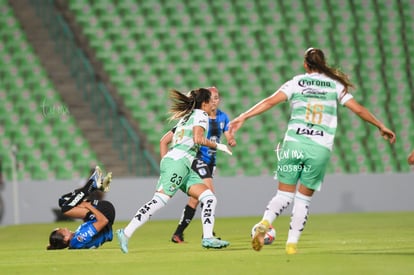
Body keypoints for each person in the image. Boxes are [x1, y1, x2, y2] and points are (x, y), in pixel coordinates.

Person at [229, 48, 396, 255]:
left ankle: (266, 221)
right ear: (323, 63)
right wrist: (380, 125)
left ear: (305, 64)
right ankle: (291, 244)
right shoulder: (336, 85)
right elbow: (359, 109)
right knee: (303, 199)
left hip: (293, 144)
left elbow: (270, 101)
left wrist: (243, 116)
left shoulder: (296, 82)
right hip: (319, 147)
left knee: (283, 194)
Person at [116, 88, 233, 253]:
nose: (213, 104)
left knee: (209, 198)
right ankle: (126, 233)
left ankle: (208, 238)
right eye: (210, 101)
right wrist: (218, 145)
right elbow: (197, 139)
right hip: (179, 163)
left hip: (183, 164)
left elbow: (164, 140)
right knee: (159, 201)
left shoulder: (186, 117)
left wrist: (165, 161)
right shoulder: (201, 115)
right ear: (205, 103)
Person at [159, 86, 237, 243]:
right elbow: (187, 137)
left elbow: (228, 133)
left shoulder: (223, 117)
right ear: (206, 101)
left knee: (195, 200)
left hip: (210, 162)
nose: (214, 101)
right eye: (212, 98)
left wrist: (230, 140)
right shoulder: (199, 116)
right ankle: (208, 234)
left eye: (217, 98)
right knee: (209, 194)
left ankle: (178, 233)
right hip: (197, 159)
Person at [46, 166, 114, 250]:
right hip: (105, 212)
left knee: (62, 201)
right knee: (65, 209)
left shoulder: (76, 239)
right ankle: (92, 185)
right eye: (63, 230)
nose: (65, 228)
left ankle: (94, 187)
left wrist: (83, 212)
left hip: (100, 215)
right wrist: (88, 206)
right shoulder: (79, 238)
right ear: (65, 239)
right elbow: (103, 221)